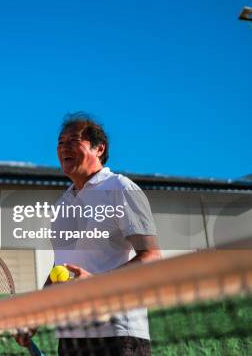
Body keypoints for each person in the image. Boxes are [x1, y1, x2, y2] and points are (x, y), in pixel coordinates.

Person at [18, 112, 161, 355]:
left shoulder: (120, 188)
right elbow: (59, 270)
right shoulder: (62, 204)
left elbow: (151, 257)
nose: (64, 147)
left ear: (99, 149)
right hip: (71, 338)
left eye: (73, 141)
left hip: (117, 335)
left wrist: (96, 284)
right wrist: (35, 317)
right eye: (61, 143)